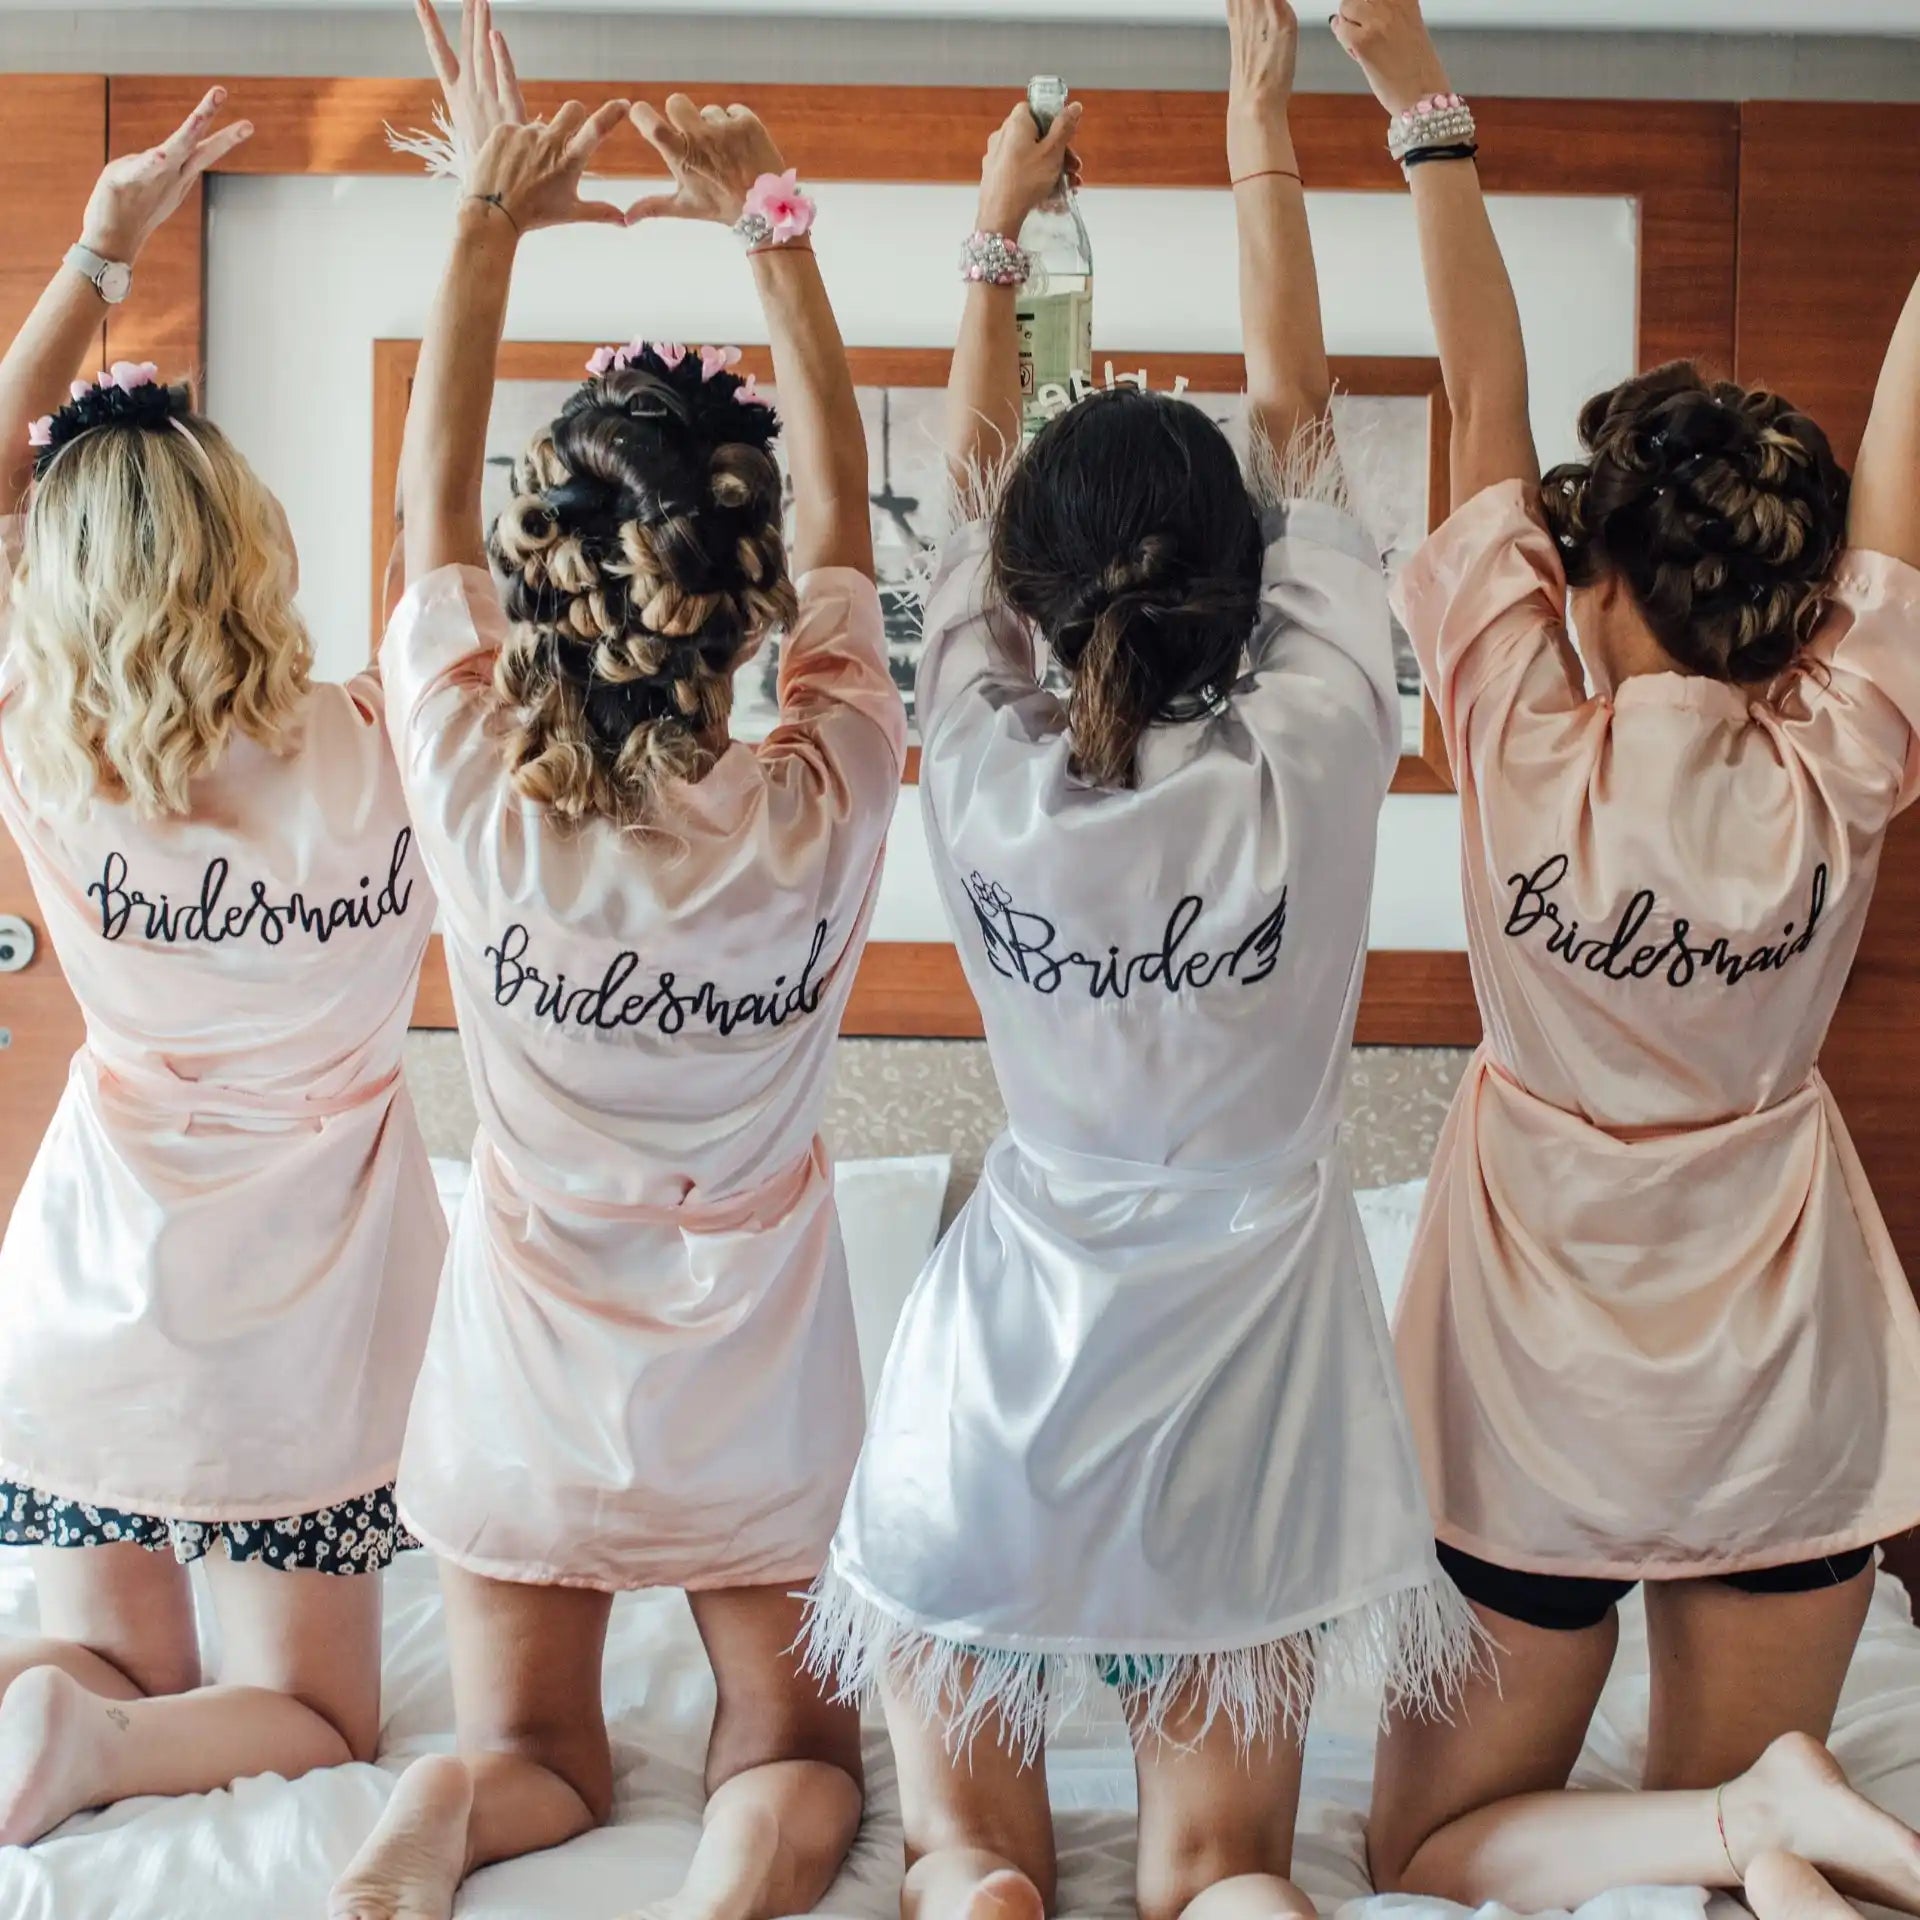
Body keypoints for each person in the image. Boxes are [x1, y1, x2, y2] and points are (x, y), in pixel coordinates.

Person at [805, 8, 1480, 1919]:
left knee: (962, 1861)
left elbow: (965, 466)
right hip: (1254, 1383)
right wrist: (1262, 115)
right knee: (1227, 1875)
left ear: (1023, 598)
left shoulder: (990, 779)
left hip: (999, 1385)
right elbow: (1296, 415)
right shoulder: (1321, 752)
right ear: (1247, 590)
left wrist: (996, 230)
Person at [1329, 6, 1920, 1918]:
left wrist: (1418, 95)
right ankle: (1767, 1813)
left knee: (1418, 1853)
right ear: (1801, 602)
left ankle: (1747, 1819)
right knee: (1727, 1883)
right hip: (1783, 1380)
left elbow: (1476, 375)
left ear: (1585, 585)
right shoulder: (1843, 756)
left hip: (1539, 1398)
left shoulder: (1517, 738)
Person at [329, 6, 904, 1918]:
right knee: (797, 1751)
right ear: (738, 609)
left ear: (549, 576)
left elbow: (419, 527)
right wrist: (777, 228)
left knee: (535, 1760)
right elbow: (844, 526)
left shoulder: (480, 795)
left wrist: (485, 222)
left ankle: (438, 1818)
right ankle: (733, 1892)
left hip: (525, 1380)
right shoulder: (822, 794)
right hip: (756, 1391)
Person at [0, 91, 442, 1844]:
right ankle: (93, 1754)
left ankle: (64, 1713)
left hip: (91, 1299)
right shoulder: (390, 747)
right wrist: (479, 223)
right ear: (253, 546)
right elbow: (440, 535)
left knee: (101, 1653)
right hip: (301, 1345)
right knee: (323, 1717)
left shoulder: (47, 740)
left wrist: (103, 251)